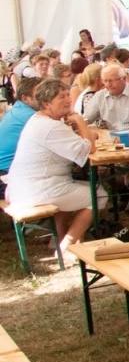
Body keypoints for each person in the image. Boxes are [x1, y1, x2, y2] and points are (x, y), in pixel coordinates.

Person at [6, 79, 97, 256]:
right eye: (61, 97)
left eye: (67, 95)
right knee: (98, 194)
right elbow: (89, 148)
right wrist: (79, 121)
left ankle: (55, 240)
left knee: (76, 189)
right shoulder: (50, 126)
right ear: (47, 104)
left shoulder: (39, 119)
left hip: (22, 186)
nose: (68, 100)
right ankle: (67, 247)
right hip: (36, 191)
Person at [0, 77, 40, 175]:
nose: (46, 97)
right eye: (40, 94)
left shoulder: (17, 109)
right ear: (25, 98)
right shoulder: (30, 116)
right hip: (9, 173)